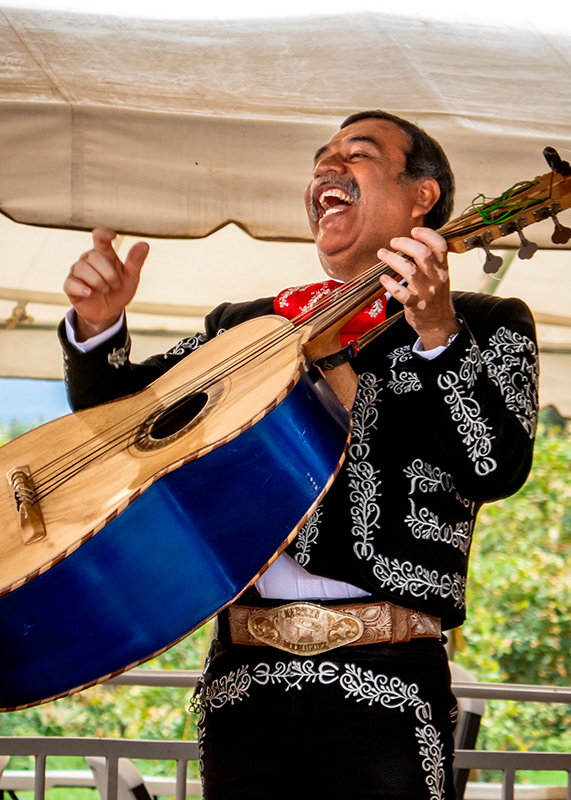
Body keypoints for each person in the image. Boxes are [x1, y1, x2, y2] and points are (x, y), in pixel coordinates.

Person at [60, 110, 539, 800]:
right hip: (243, 679)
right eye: (321, 157)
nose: (326, 167)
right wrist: (97, 328)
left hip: (389, 673)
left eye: (357, 153)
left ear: (421, 195)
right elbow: (121, 416)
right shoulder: (247, 326)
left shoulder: (486, 324)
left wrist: (436, 329)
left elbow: (494, 467)